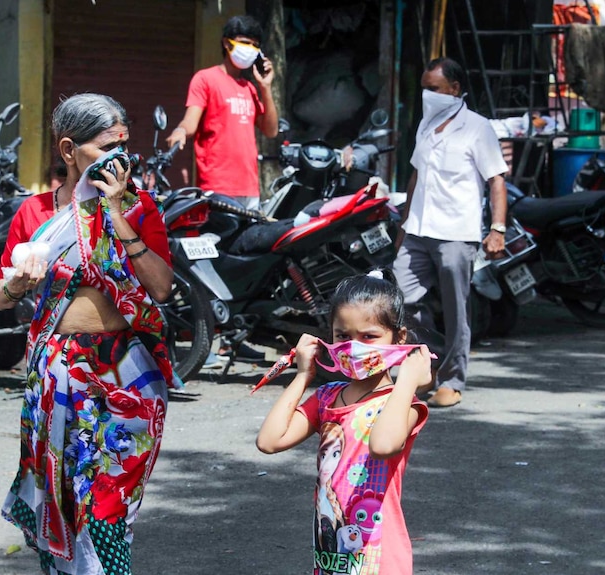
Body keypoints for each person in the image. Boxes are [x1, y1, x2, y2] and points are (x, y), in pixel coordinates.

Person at [0, 93, 177, 575]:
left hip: (126, 373)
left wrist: (118, 214)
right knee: (58, 493)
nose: (120, 159)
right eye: (106, 148)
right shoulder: (35, 214)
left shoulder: (139, 210)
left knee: (108, 505)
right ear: (69, 149)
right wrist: (16, 283)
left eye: (125, 147)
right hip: (57, 373)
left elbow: (160, 287)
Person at [256, 270, 431, 575]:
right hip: (331, 557)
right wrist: (302, 376)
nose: (355, 347)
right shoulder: (326, 398)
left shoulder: (405, 405)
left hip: (379, 559)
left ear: (399, 338)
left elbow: (383, 444)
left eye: (369, 337)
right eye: (343, 336)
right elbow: (269, 441)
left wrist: (408, 380)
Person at [393, 57, 508, 408]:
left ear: (454, 90)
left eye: (434, 89)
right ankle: (427, 367)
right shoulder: (426, 126)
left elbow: (496, 181)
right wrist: (403, 224)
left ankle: (453, 378)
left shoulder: (477, 127)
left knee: (456, 309)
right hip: (418, 229)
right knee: (402, 299)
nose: (428, 95)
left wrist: (497, 229)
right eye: (425, 89)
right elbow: (415, 177)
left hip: (456, 233)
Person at [165, 14, 279, 211]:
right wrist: (180, 131)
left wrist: (266, 87)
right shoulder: (205, 79)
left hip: (250, 188)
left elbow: (271, 131)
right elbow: (189, 123)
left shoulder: (249, 88)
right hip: (217, 187)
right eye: (245, 42)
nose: (250, 49)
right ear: (227, 43)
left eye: (255, 45)